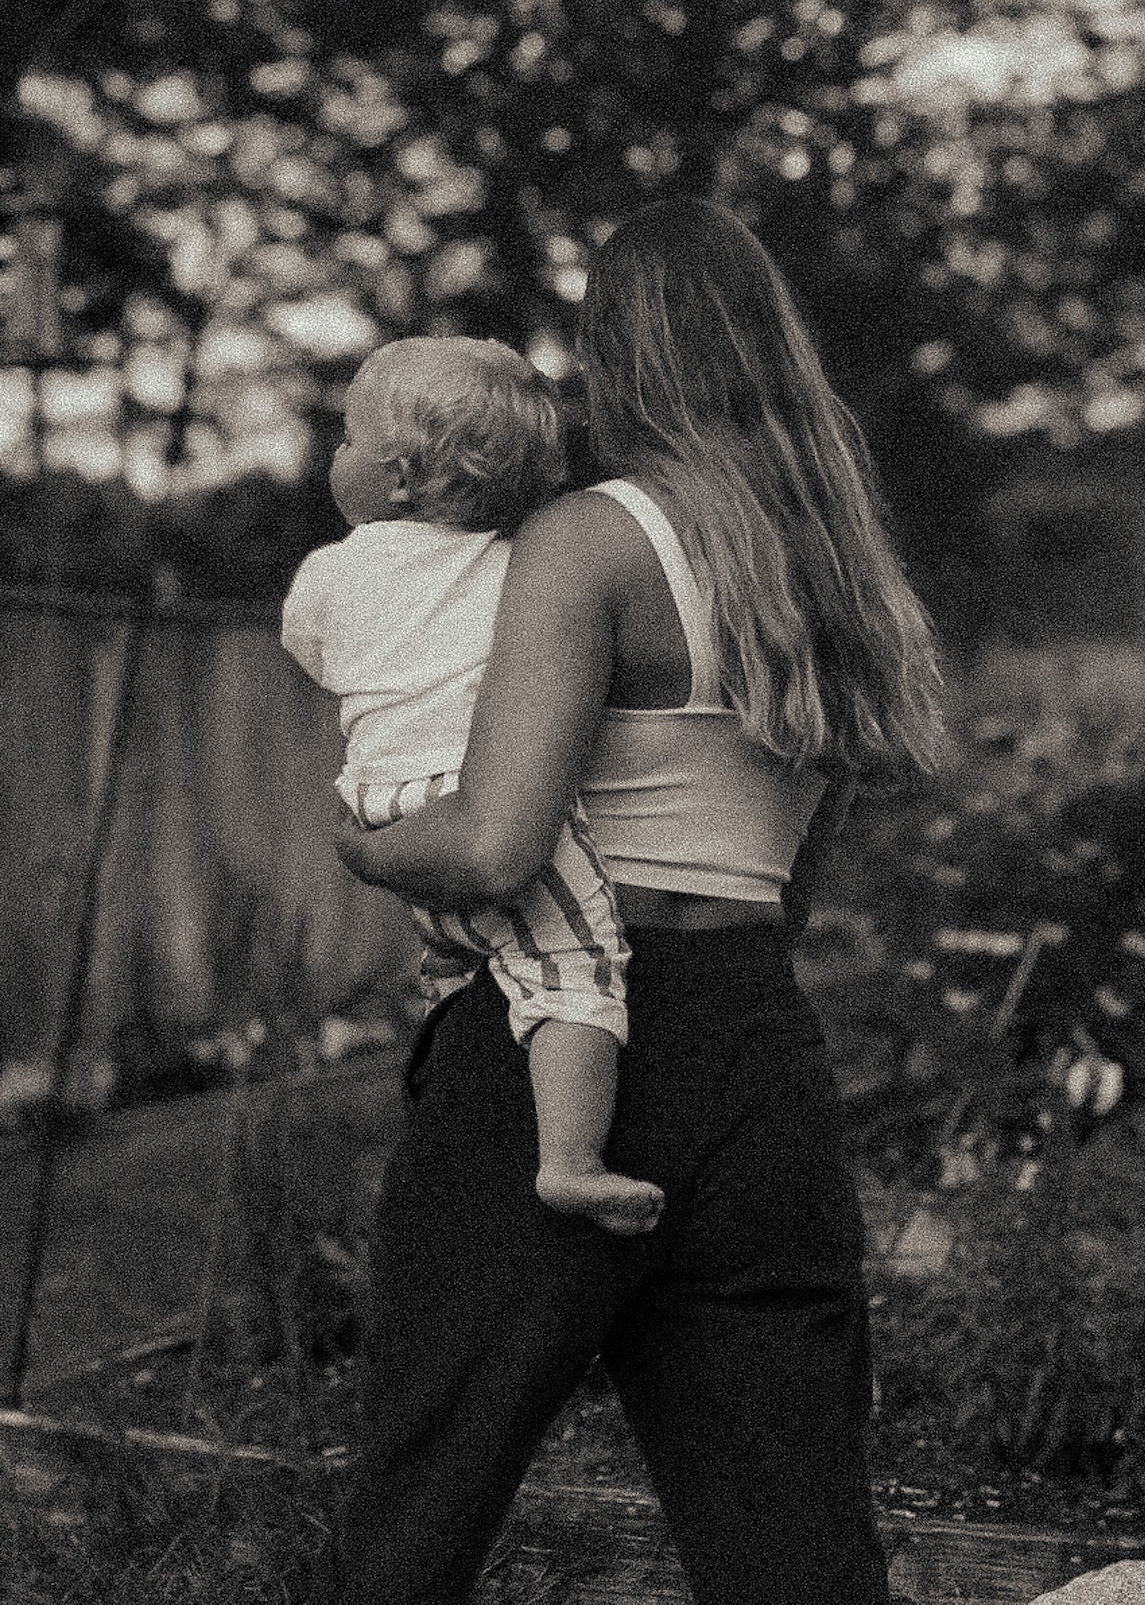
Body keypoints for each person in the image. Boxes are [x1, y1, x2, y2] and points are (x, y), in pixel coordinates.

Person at [321, 197, 944, 1605]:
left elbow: (488, 847)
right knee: (793, 1544)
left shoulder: (590, 541)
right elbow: (793, 861)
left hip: (564, 1043)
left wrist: (362, 847)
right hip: (755, 1045)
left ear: (619, 357)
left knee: (422, 1501)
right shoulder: (839, 568)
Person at [281, 335, 665, 1235]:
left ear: (402, 477)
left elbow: (312, 652)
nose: (333, 454)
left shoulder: (331, 573)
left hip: (381, 805)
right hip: (481, 802)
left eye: (345, 438)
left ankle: (470, 1103)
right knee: (578, 964)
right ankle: (569, 1159)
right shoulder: (522, 570)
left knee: (463, 957)